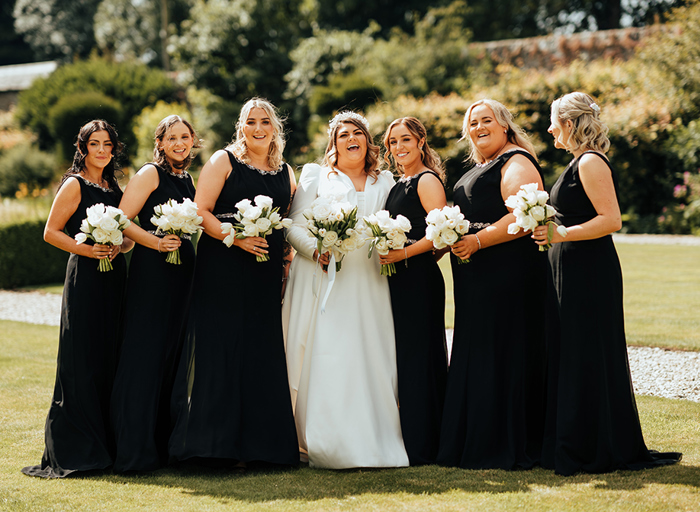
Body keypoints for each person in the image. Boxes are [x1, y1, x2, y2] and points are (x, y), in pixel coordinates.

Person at [534, 92, 682, 475]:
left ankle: (594, 445)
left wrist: (561, 234)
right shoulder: (576, 161)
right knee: (573, 351)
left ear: (569, 123)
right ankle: (578, 438)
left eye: (554, 121)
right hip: (570, 267)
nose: (550, 128)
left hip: (589, 271)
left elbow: (611, 219)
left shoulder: (590, 162)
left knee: (587, 351)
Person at [169, 98, 299, 469]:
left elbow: (287, 219)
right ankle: (214, 449)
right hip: (223, 267)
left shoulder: (286, 172)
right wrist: (235, 237)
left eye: (265, 122)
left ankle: (264, 449)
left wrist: (285, 261)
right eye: (250, 122)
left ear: (276, 127)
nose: (258, 129)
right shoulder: (223, 161)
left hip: (264, 271)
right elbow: (200, 210)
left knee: (261, 350)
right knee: (222, 349)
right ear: (241, 127)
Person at [283, 111, 409, 469]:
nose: (351, 138)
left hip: (373, 279)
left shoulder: (386, 180)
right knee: (330, 354)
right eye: (343, 134)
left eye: (358, 133)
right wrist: (315, 251)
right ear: (333, 144)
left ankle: (377, 437)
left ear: (368, 141)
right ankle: (324, 440)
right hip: (327, 279)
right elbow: (293, 224)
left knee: (374, 352)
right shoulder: (316, 175)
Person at [437, 99, 547, 470]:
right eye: (473, 122)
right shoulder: (482, 164)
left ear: (504, 126)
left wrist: (477, 241)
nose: (479, 127)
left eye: (487, 120)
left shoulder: (516, 160)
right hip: (477, 275)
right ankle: (478, 438)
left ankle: (504, 441)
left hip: (507, 273)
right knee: (481, 349)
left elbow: (521, 215)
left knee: (502, 350)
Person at [22, 120, 132, 478]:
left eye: (108, 144)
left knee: (108, 356)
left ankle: (106, 444)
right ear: (83, 148)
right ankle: (77, 448)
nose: (101, 150)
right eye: (94, 144)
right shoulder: (74, 184)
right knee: (82, 358)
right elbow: (50, 232)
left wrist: (119, 245)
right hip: (85, 279)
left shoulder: (115, 186)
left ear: (114, 149)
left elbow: (128, 236)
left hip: (114, 278)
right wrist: (87, 250)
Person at [110, 115, 201, 472]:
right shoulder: (150, 173)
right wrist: (157, 242)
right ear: (160, 143)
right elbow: (122, 219)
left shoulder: (189, 178)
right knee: (144, 357)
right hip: (153, 275)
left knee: (173, 357)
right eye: (172, 138)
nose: (179, 143)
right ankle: (135, 450)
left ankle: (167, 446)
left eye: (185, 137)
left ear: (193, 140)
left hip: (183, 277)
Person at [380, 117, 448, 465]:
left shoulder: (427, 180)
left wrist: (403, 253)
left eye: (405, 139)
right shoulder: (398, 183)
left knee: (421, 358)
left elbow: (442, 234)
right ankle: (408, 436)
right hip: (397, 278)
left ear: (421, 141)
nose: (398, 147)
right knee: (403, 358)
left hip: (418, 280)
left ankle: (426, 443)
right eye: (392, 142)